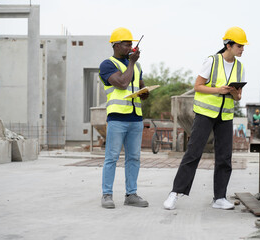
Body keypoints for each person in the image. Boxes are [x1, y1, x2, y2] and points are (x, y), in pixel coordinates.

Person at [163, 26, 248, 210]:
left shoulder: (240, 67)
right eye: (240, 46)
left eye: (243, 46)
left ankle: (219, 198)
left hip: (225, 116)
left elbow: (238, 97)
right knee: (193, 153)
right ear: (229, 45)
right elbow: (198, 86)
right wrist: (219, 90)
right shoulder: (212, 61)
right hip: (205, 114)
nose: (242, 49)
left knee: (225, 157)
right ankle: (175, 193)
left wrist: (233, 92)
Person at [99, 27, 149, 209]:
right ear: (117, 45)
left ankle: (131, 194)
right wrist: (131, 63)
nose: (131, 47)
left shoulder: (136, 65)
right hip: (117, 118)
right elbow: (121, 83)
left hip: (136, 118)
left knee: (134, 157)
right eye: (127, 44)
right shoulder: (107, 64)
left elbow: (139, 85)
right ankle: (107, 195)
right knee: (112, 157)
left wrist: (145, 93)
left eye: (132, 44)